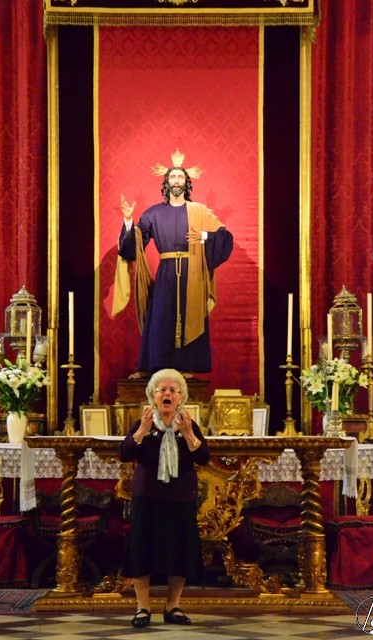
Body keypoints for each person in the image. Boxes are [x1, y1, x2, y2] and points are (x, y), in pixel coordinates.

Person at [112, 149, 233, 378]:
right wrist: (128, 220)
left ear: (187, 183)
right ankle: (154, 366)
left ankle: (186, 366)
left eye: (180, 177)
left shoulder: (199, 211)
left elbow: (225, 238)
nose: (176, 181)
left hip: (192, 273)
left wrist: (204, 236)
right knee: (160, 317)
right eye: (173, 177)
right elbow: (136, 243)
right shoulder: (153, 213)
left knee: (190, 316)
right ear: (166, 183)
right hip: (166, 272)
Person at [119, 368, 210, 628]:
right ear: (153, 396)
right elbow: (125, 454)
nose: (167, 394)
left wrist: (189, 434)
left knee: (179, 551)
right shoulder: (144, 423)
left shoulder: (188, 425)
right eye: (162, 390)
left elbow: (204, 458)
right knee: (142, 550)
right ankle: (143, 607)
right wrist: (141, 431)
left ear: (181, 397)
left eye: (173, 390)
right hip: (147, 496)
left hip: (180, 497)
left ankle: (173, 606)